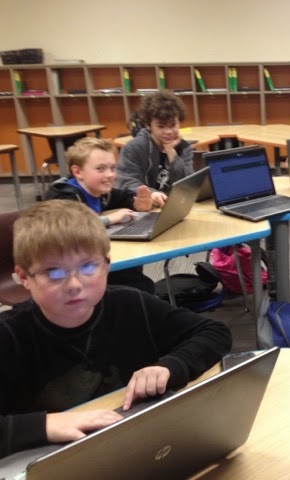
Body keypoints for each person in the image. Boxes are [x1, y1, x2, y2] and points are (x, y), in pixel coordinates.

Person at [0, 200, 232, 459]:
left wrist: (170, 366)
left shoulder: (129, 304)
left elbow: (214, 332)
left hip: (132, 446)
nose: (74, 285)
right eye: (54, 273)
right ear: (24, 277)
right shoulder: (9, 336)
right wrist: (43, 425)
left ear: (106, 265)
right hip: (50, 458)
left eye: (88, 267)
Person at [45, 137, 156, 294]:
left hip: (89, 258)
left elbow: (123, 196)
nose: (110, 175)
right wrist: (109, 219)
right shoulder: (63, 195)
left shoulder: (98, 190)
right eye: (100, 169)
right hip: (64, 270)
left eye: (112, 168)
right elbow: (71, 226)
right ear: (77, 172)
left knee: (138, 280)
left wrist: (137, 203)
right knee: (138, 287)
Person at [116, 91, 194, 207]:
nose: (168, 131)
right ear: (148, 125)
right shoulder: (133, 148)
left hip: (172, 207)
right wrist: (152, 194)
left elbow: (188, 186)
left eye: (173, 125)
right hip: (143, 209)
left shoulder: (184, 147)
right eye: (161, 126)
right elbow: (127, 183)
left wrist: (172, 153)